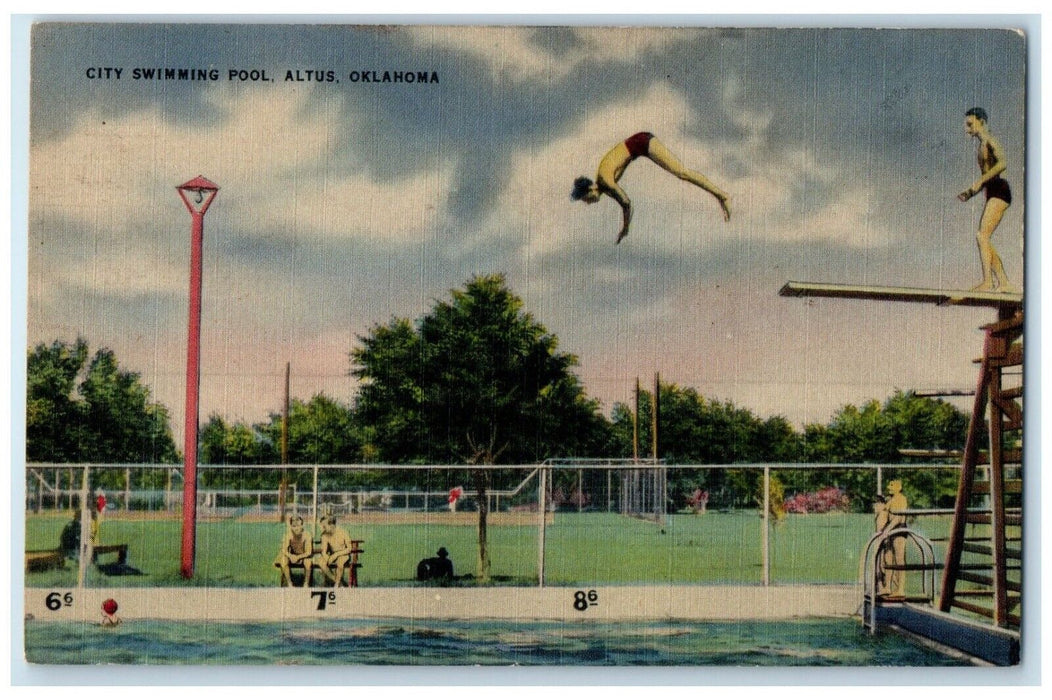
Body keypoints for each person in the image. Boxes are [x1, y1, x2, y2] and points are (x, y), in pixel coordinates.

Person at [571, 132, 731, 244]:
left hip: (642, 142)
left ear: (590, 190)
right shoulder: (603, 185)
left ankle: (722, 196)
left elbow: (626, 203)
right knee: (682, 174)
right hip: (638, 146)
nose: (588, 203)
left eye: (586, 200)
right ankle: (720, 196)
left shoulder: (605, 182)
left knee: (682, 172)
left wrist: (625, 228)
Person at [958, 108, 1014, 292]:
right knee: (985, 239)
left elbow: (1003, 163)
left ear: (981, 121)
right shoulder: (981, 147)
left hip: (1000, 190)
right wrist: (970, 192)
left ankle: (988, 282)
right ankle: (1004, 282)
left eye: (970, 124)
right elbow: (985, 177)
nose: (967, 129)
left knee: (981, 236)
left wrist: (980, 180)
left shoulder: (990, 140)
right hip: (992, 191)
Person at [883, 480, 909, 598]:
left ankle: (900, 589)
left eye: (892, 486)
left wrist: (887, 529)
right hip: (890, 530)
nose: (889, 488)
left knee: (899, 559)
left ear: (899, 487)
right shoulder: (891, 500)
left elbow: (898, 517)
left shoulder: (901, 499)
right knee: (888, 558)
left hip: (898, 529)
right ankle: (888, 586)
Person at [275, 515, 314, 587]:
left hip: (303, 556)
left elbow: (309, 552)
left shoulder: (307, 535)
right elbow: (284, 549)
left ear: (302, 525)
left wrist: (298, 557)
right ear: (291, 526)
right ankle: (290, 583)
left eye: (299, 526)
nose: (296, 528)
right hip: (292, 556)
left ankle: (306, 583)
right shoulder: (288, 535)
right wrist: (291, 556)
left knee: (308, 562)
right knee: (283, 560)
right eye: (294, 526)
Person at [318, 515, 356, 587]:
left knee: (340, 562)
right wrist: (326, 558)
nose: (323, 528)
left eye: (324, 526)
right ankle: (338, 582)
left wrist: (336, 554)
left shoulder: (343, 532)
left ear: (332, 525)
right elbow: (324, 551)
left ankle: (337, 584)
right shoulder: (324, 535)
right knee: (321, 562)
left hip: (343, 554)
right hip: (332, 555)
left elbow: (349, 548)